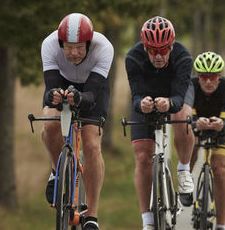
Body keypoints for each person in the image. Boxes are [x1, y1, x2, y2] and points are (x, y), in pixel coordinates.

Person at [41, 13, 113, 230]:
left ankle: (92, 216)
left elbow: (91, 95)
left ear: (89, 44)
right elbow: (50, 87)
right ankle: (57, 169)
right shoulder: (49, 45)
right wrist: (53, 95)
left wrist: (80, 98)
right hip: (62, 81)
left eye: (80, 47)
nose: (73, 53)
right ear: (61, 43)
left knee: (91, 144)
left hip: (93, 88)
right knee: (50, 123)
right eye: (69, 47)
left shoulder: (104, 48)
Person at [125, 16, 195, 230]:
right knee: (142, 156)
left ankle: (183, 169)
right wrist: (141, 103)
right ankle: (147, 220)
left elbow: (179, 96)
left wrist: (170, 102)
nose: (158, 55)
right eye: (152, 50)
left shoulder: (183, 57)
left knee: (182, 114)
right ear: (144, 47)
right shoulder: (133, 58)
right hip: (147, 98)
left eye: (163, 50)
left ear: (171, 45)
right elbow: (135, 94)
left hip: (176, 95)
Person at [190, 52, 225, 230]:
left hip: (221, 130)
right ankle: (185, 182)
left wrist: (220, 126)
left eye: (212, 77)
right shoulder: (191, 86)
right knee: (190, 142)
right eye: (203, 76)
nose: (208, 81)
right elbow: (188, 120)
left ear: (219, 76)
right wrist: (197, 123)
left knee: (219, 169)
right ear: (198, 76)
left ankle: (221, 225)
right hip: (197, 126)